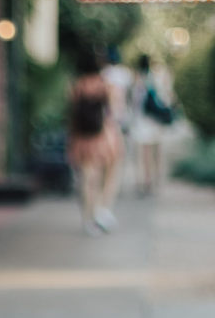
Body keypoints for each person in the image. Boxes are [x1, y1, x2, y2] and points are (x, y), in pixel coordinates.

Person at [67, 47, 124, 233]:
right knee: (105, 174)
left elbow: (71, 115)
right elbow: (114, 114)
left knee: (86, 178)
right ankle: (101, 210)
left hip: (81, 138)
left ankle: (87, 219)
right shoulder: (105, 85)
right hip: (101, 137)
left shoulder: (76, 86)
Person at [130, 53, 173, 196]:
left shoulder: (138, 80)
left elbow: (135, 103)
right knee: (157, 151)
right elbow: (166, 97)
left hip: (143, 122)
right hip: (156, 120)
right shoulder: (157, 78)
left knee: (145, 153)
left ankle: (147, 180)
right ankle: (157, 177)